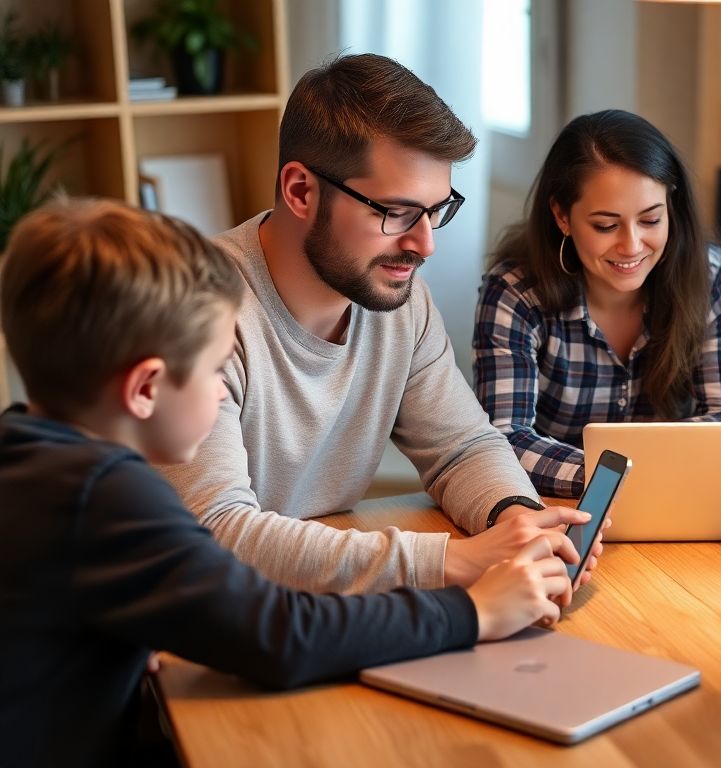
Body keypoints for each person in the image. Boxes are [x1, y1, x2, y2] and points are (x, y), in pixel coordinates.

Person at [0, 199, 575, 767]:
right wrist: (473, 611)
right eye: (214, 370)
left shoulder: (30, 456)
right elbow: (281, 634)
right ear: (146, 388)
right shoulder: (108, 496)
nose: (224, 392)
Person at [159, 53, 598, 594]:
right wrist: (448, 562)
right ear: (300, 191)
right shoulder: (193, 311)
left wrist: (515, 520)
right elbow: (218, 532)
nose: (424, 244)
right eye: (395, 212)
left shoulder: (397, 299)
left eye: (437, 210)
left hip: (311, 607)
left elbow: (461, 447)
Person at [474, 110, 721, 497]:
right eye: (606, 225)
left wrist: (641, 477)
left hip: (671, 502)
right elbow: (503, 439)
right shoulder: (515, 294)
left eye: (651, 220)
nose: (632, 245)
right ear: (562, 216)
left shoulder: (708, 274)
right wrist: (620, 477)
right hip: (560, 510)